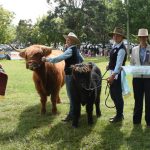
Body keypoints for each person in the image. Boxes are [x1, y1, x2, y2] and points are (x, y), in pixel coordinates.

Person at [42, 32, 84, 121]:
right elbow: (82, 59)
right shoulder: (75, 49)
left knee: (71, 95)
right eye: (67, 39)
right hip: (77, 75)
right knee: (75, 95)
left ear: (72, 41)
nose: (67, 41)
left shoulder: (70, 50)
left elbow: (57, 59)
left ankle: (72, 115)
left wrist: (46, 59)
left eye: (68, 39)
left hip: (70, 75)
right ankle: (77, 113)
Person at [107, 27, 127, 123]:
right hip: (113, 73)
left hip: (117, 75)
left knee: (117, 95)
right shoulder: (115, 46)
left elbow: (119, 65)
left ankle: (119, 115)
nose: (115, 36)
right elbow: (113, 60)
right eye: (114, 35)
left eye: (118, 35)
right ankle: (119, 114)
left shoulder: (122, 49)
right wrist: (108, 65)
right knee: (113, 94)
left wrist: (112, 76)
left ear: (122, 37)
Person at [130, 28, 150, 127]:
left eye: (144, 37)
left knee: (149, 100)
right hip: (137, 78)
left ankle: (149, 121)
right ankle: (136, 120)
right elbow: (132, 63)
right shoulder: (134, 49)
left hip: (148, 78)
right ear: (138, 38)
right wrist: (134, 69)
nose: (142, 38)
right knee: (138, 100)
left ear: (147, 37)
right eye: (141, 37)